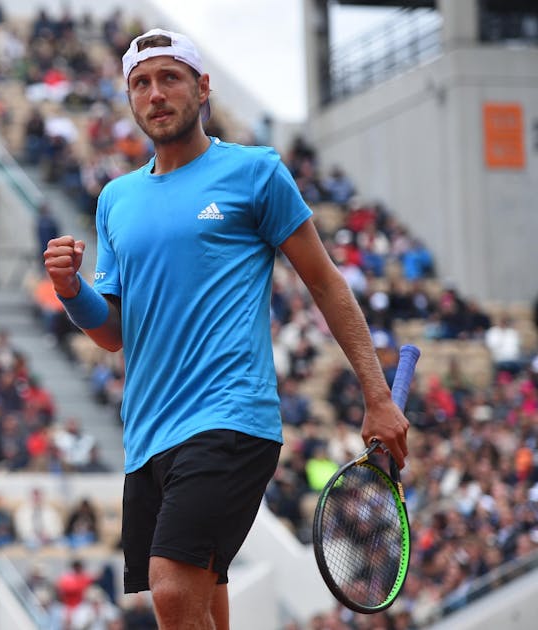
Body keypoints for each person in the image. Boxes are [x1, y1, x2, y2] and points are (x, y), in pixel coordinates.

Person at [42, 28, 409, 630]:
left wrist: (376, 394)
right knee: (202, 600)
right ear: (130, 100)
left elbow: (325, 283)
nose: (156, 94)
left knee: (170, 590)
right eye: (141, 83)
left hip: (231, 417)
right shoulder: (115, 199)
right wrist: (71, 290)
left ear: (202, 88)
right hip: (149, 436)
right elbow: (113, 333)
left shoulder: (255, 172)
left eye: (170, 78)